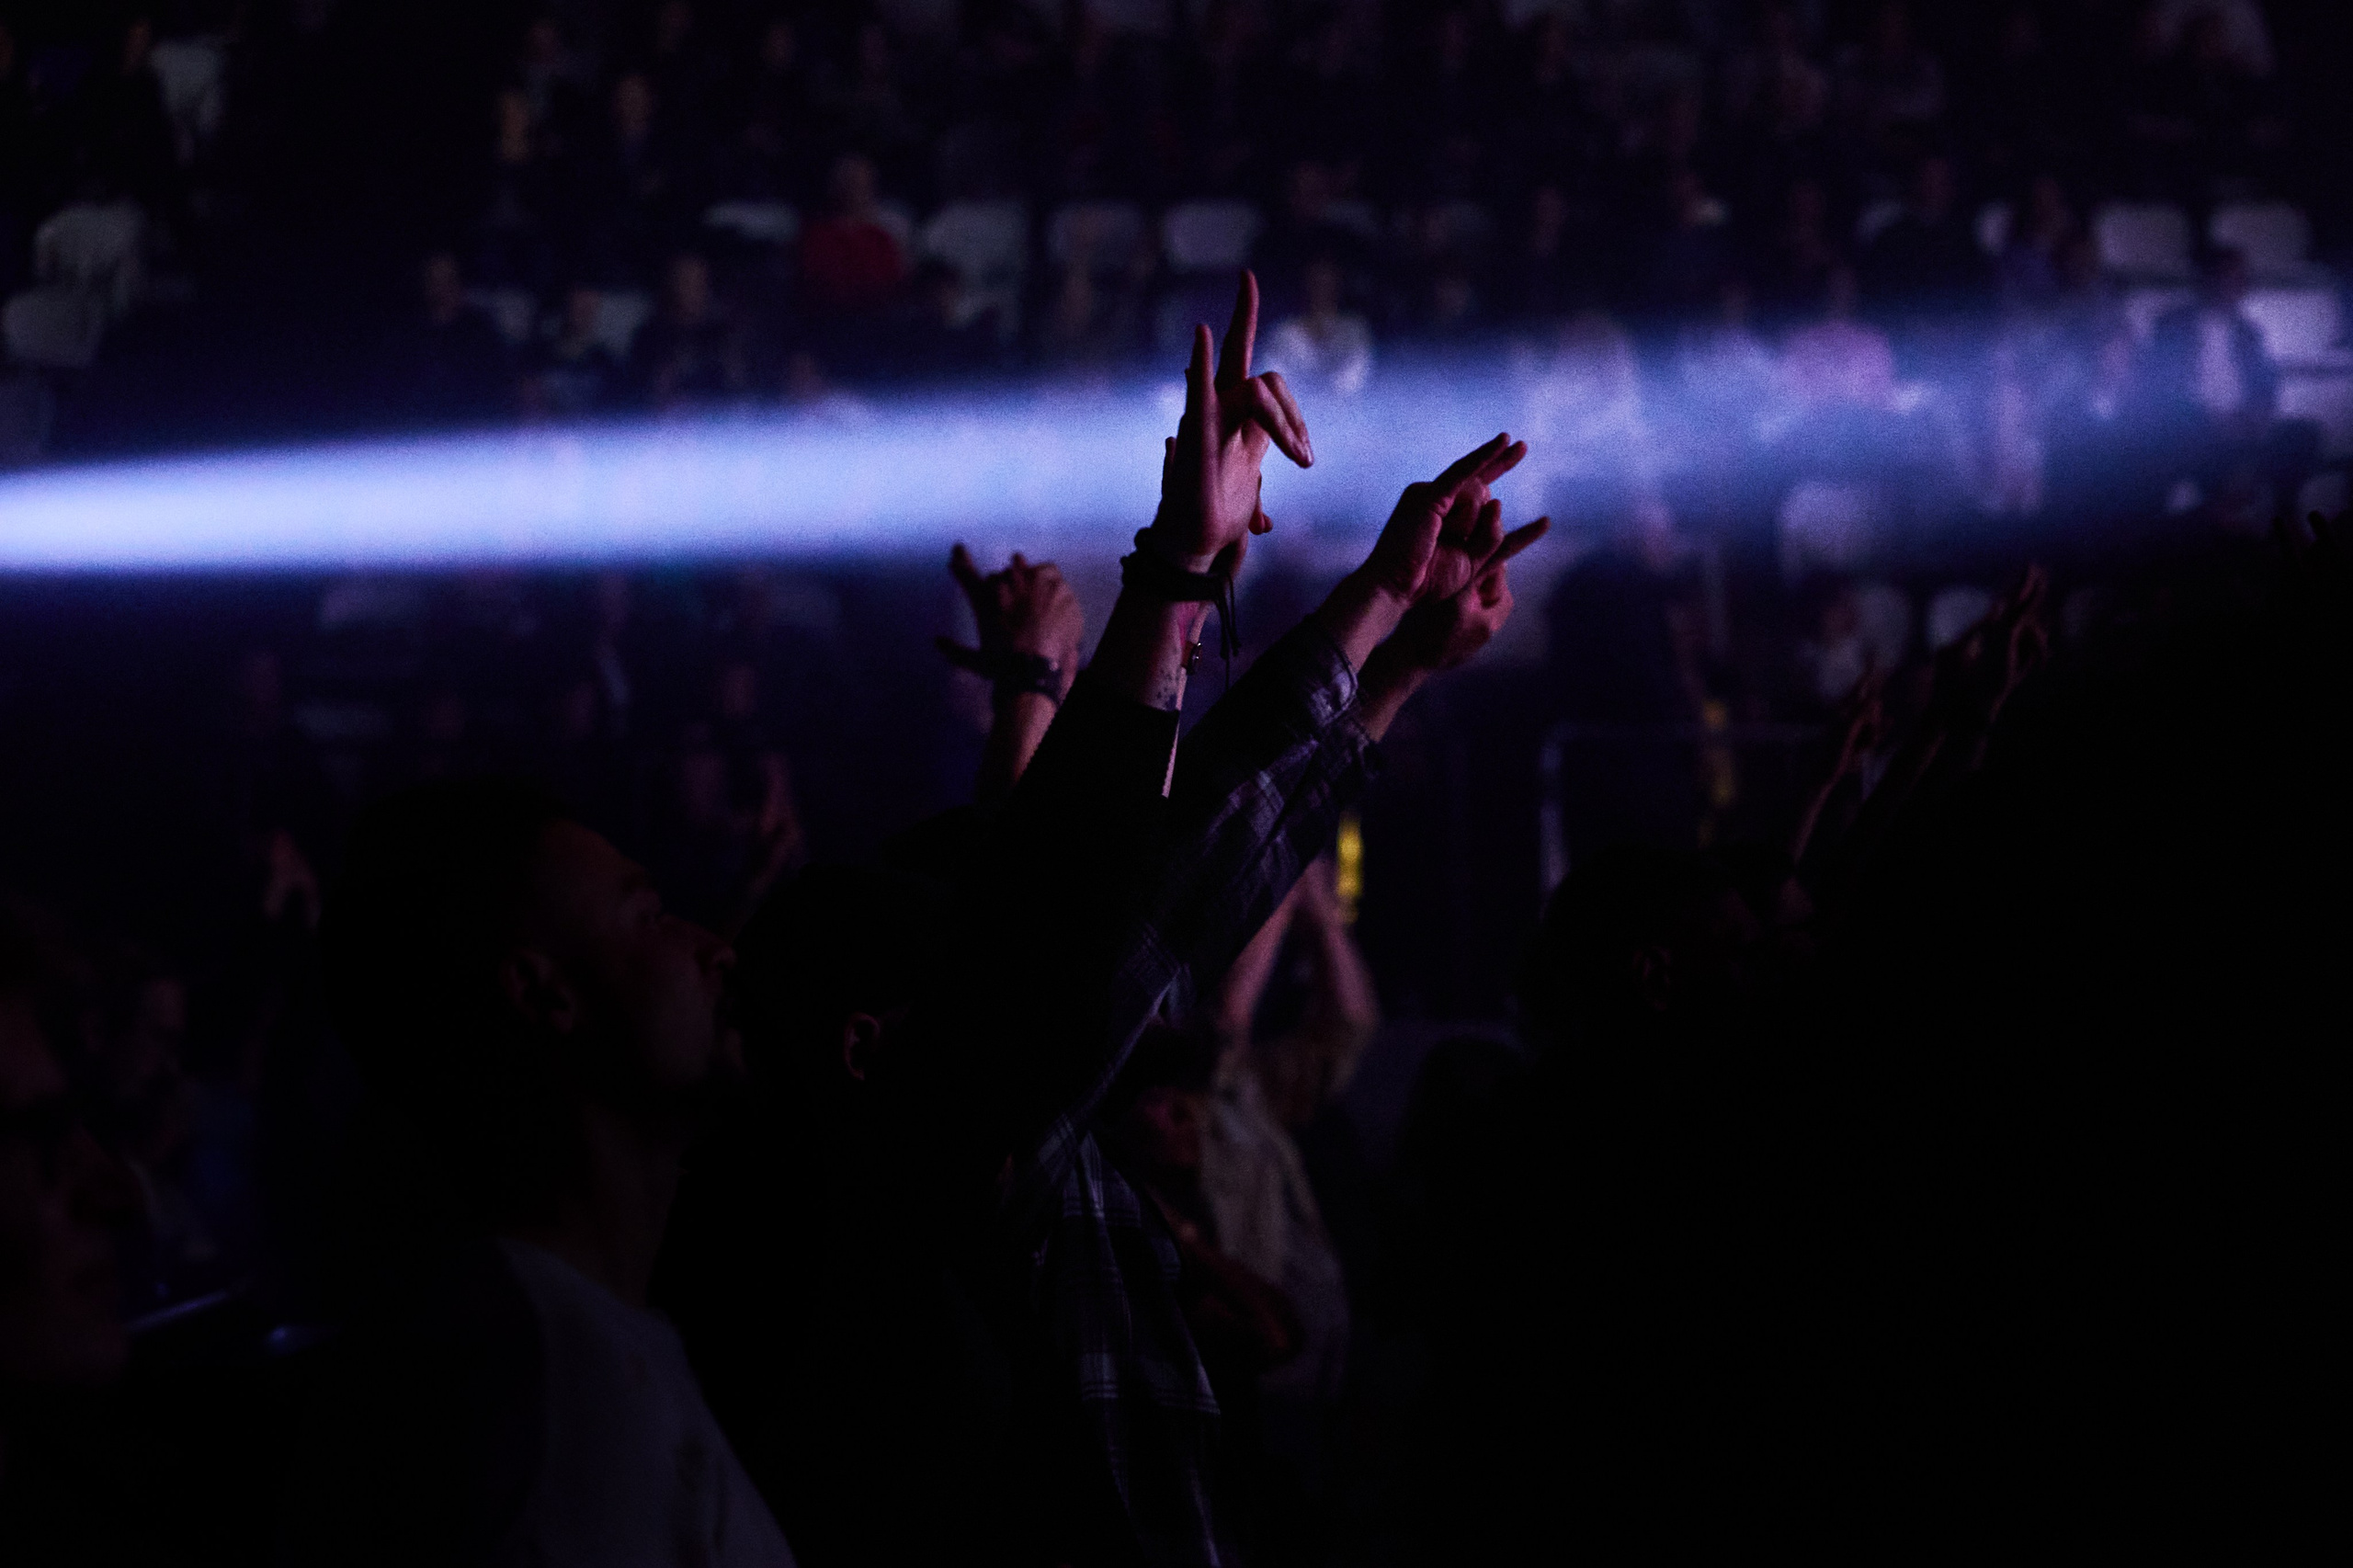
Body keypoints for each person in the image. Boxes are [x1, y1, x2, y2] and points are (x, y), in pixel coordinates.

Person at [292, 778, 795, 1566]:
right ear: (542, 991)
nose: (713, 948)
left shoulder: (576, 1337)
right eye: (649, 916)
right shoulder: (553, 1383)